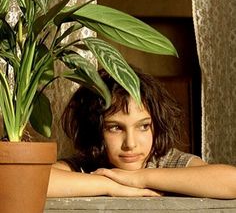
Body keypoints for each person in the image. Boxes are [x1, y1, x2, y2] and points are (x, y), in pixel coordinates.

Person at [47, 66, 236, 199]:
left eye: (143, 126)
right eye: (115, 127)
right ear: (95, 130)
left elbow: (231, 181)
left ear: (157, 125)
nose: (131, 144)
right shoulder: (88, 166)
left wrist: (139, 178)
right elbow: (35, 182)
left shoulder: (168, 162)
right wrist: (110, 186)